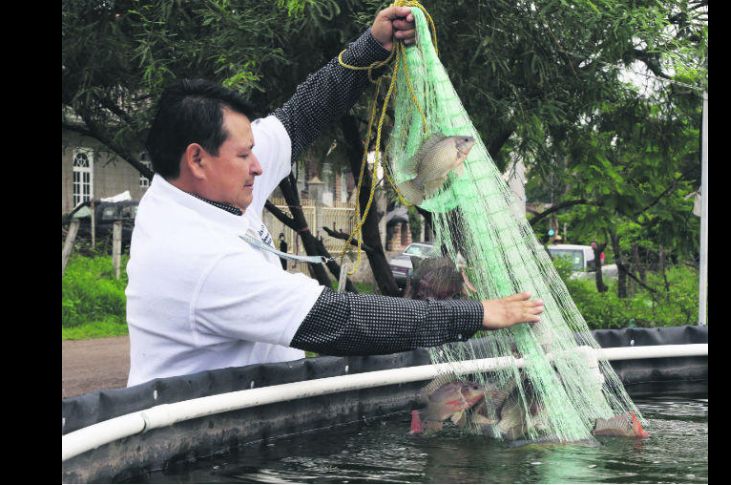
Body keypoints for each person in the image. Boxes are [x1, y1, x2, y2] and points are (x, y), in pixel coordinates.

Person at [126, 6, 545, 387]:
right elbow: (343, 320)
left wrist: (372, 46)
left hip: (248, 409)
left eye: (253, 150)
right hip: (194, 434)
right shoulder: (193, 255)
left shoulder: (206, 186)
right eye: (243, 155)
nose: (258, 166)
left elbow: (300, 118)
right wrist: (477, 313)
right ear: (197, 159)